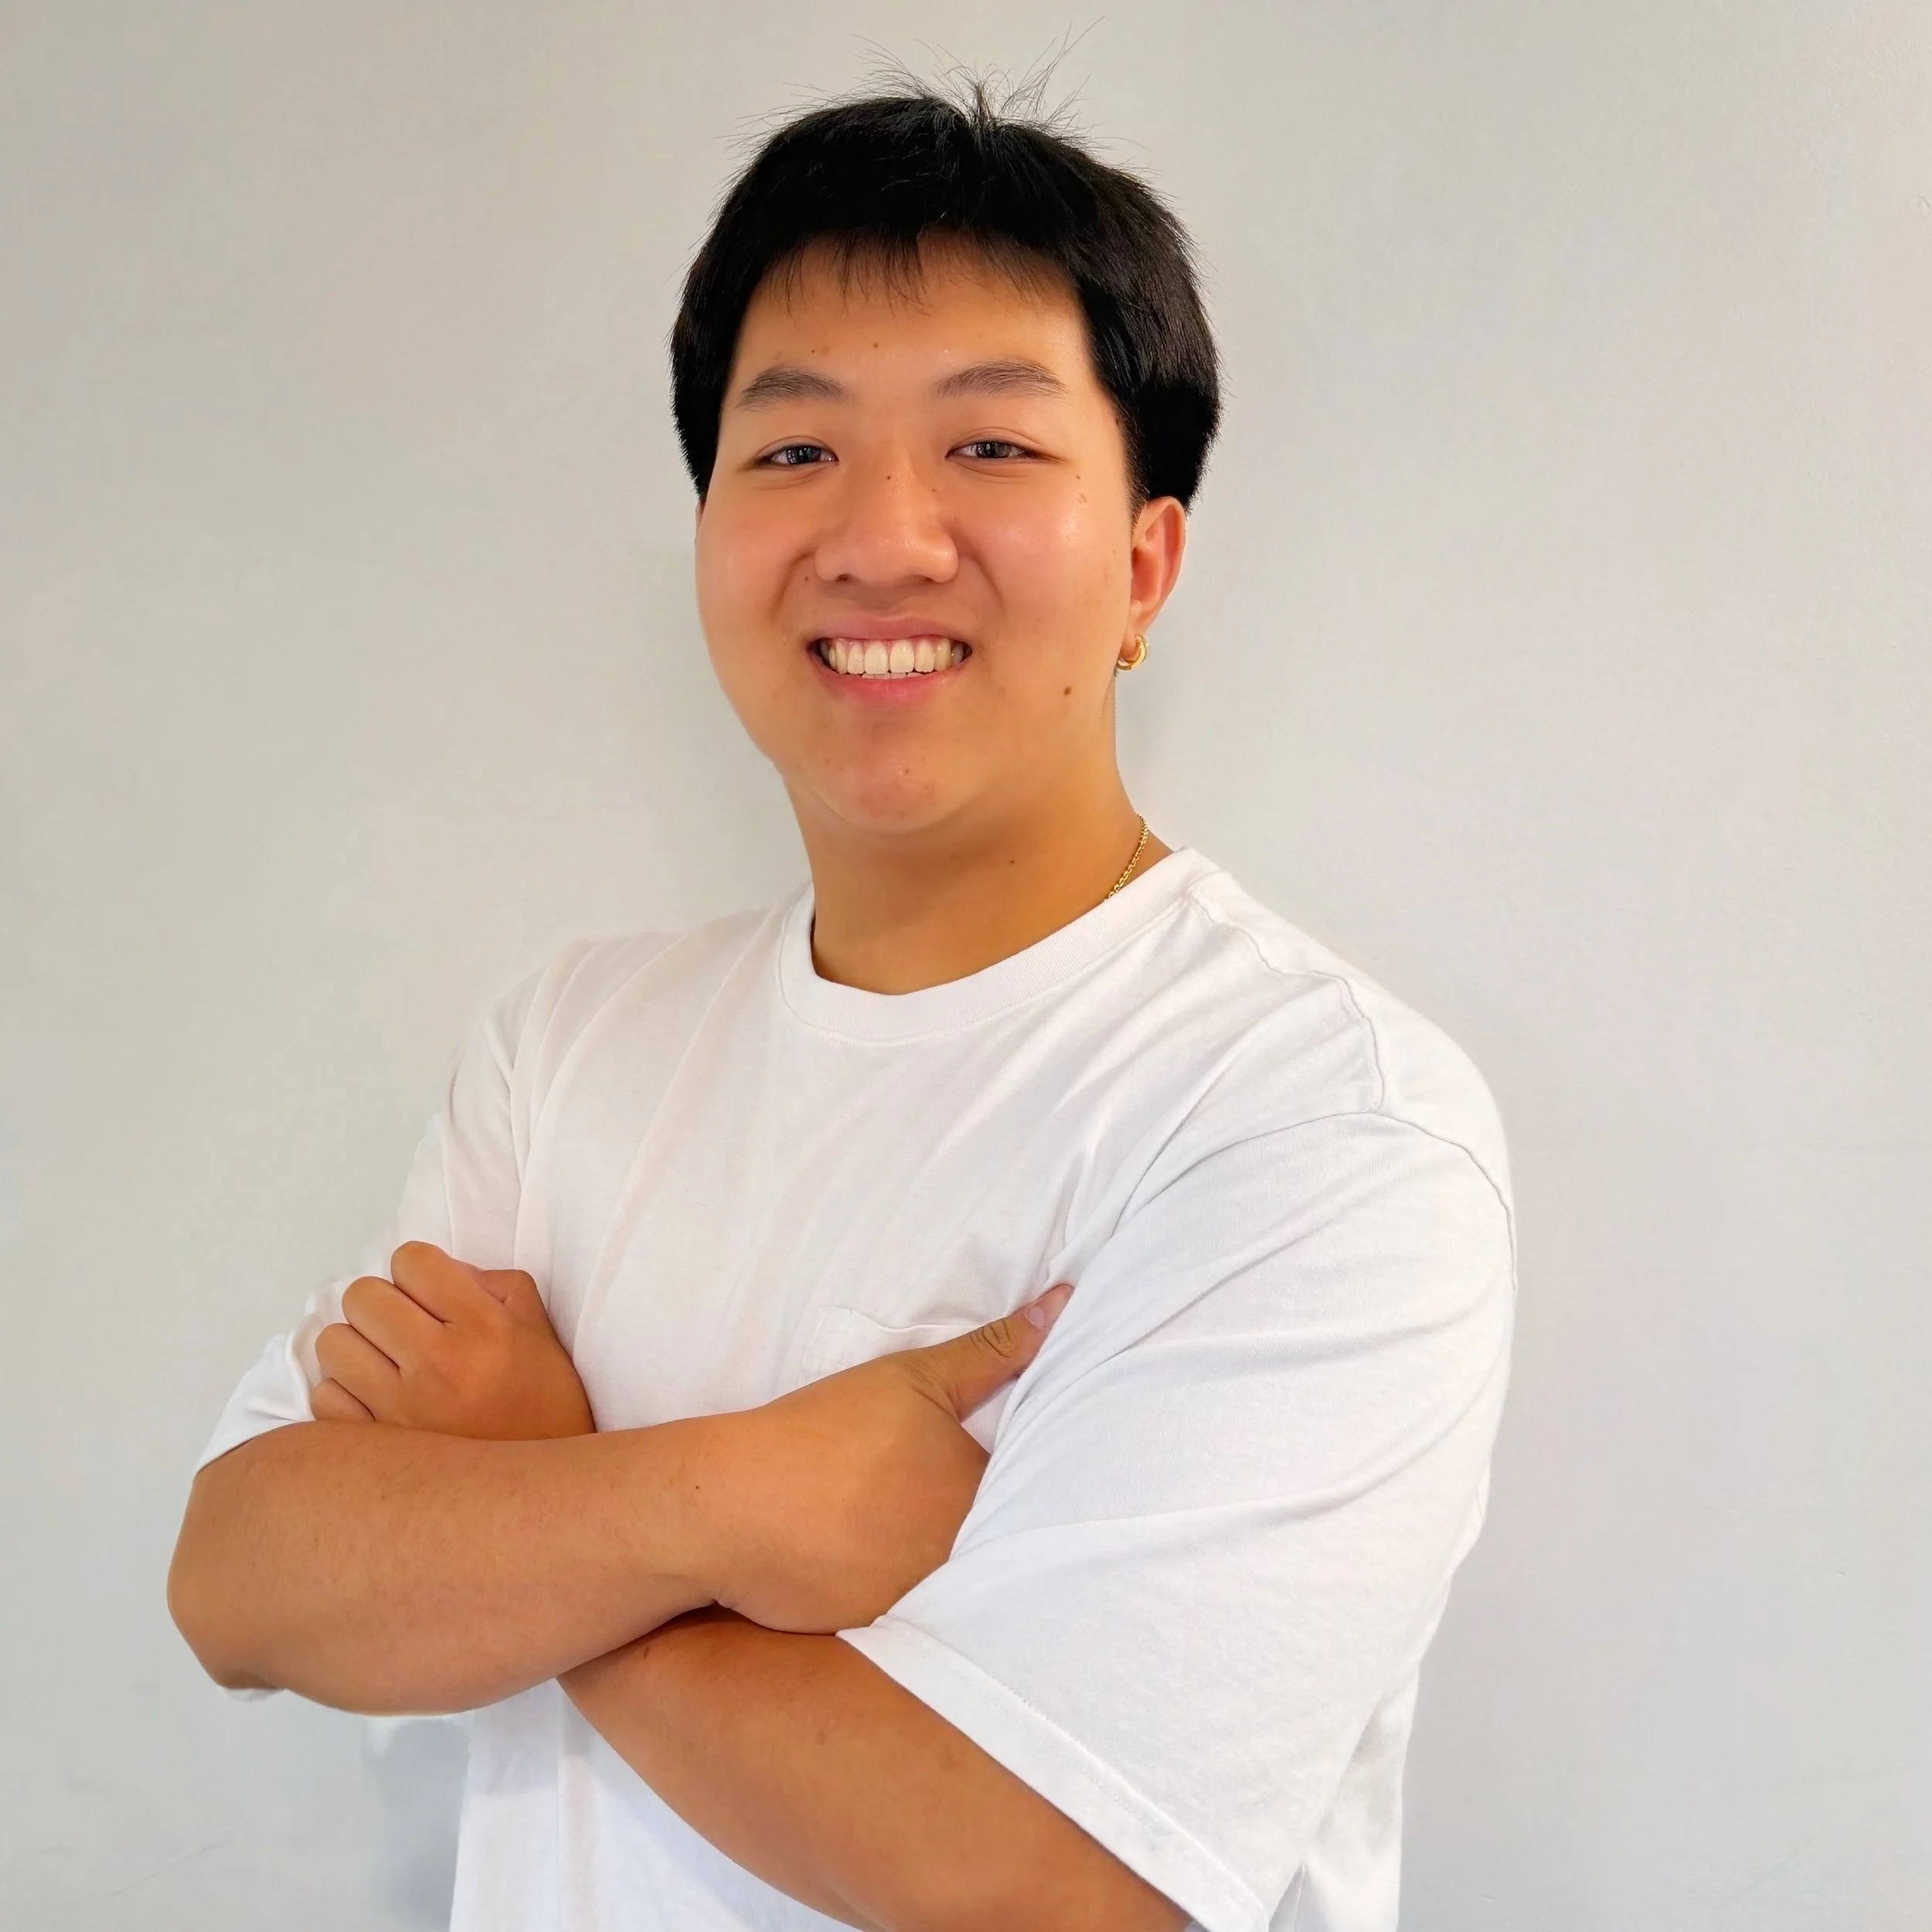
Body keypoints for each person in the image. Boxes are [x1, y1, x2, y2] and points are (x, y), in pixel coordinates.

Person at [168, 83, 1515, 1932]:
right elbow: (243, 1575)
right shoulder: (571, 1043)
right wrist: (729, 1500)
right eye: (791, 452)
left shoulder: (1312, 1118)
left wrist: (537, 1495)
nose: (881, 538)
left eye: (989, 448)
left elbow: (1039, 1877)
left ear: (1144, 564)